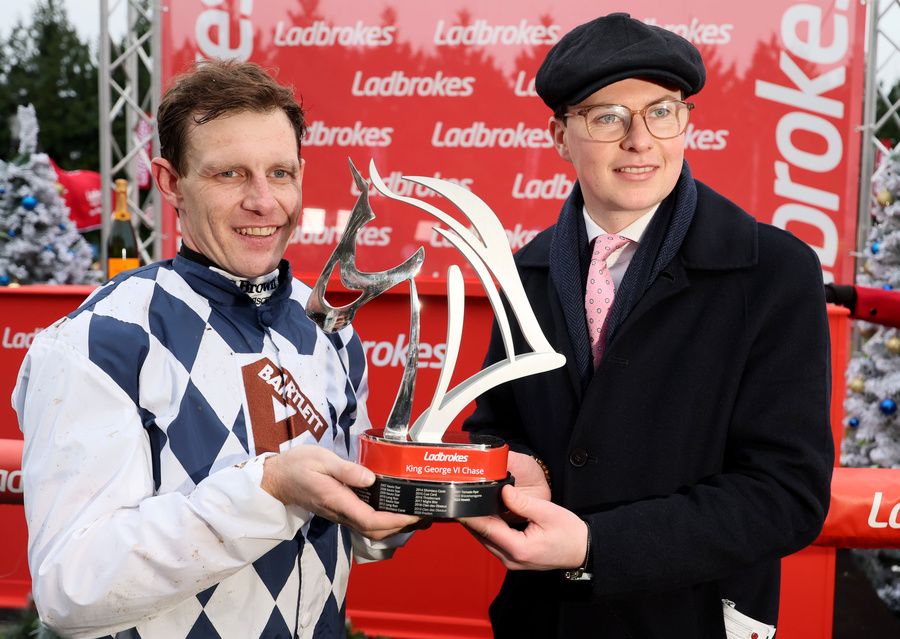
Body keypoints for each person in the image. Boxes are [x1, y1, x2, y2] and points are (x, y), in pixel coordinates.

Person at [12, 59, 417, 639]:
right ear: (171, 181)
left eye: (280, 173)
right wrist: (269, 488)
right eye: (229, 174)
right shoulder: (98, 342)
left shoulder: (329, 325)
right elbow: (69, 591)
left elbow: (357, 542)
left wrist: (401, 509)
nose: (263, 201)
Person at [461, 13, 834, 638]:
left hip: (694, 621)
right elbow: (496, 425)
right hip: (543, 621)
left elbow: (787, 495)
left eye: (662, 112)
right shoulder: (524, 270)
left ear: (685, 122)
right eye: (607, 116)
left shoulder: (773, 272)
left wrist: (596, 546)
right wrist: (514, 465)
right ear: (560, 135)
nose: (640, 140)